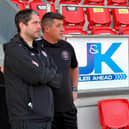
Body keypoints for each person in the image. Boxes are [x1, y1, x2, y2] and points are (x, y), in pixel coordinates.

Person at [4, 9, 61, 129]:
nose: (39, 27)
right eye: (34, 23)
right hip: (26, 118)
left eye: (39, 23)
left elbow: (58, 78)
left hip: (46, 115)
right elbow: (37, 76)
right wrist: (46, 74)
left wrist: (45, 75)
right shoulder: (14, 49)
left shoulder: (40, 48)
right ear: (22, 25)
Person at [39, 12, 79, 129]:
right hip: (46, 112)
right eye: (58, 26)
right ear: (46, 28)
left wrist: (75, 89)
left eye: (63, 25)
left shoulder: (67, 46)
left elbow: (74, 67)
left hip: (68, 109)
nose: (62, 29)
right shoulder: (36, 48)